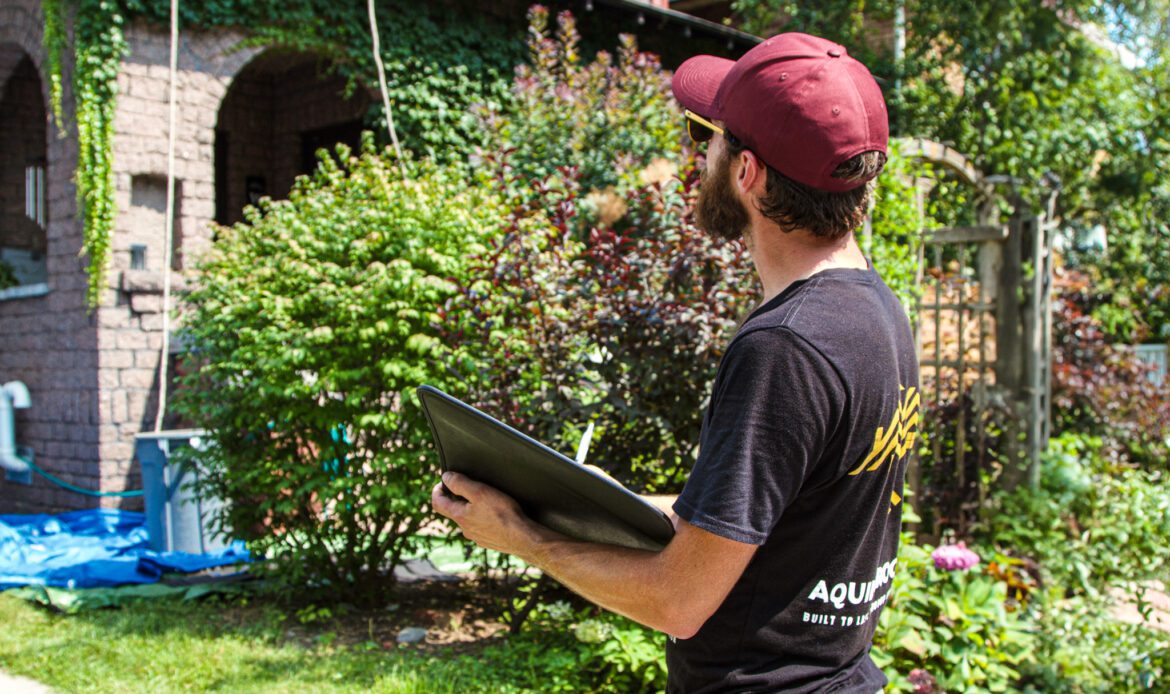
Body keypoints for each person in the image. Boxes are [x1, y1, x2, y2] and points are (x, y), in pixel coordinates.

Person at [432, 32, 919, 693]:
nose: (696, 155)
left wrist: (521, 536)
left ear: (747, 173)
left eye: (706, 135)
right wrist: (606, 504)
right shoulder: (876, 313)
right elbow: (783, 520)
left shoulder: (785, 348)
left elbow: (678, 602)